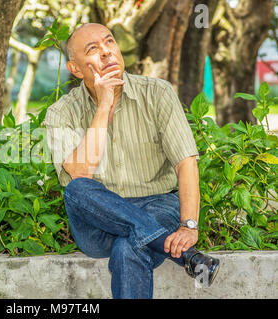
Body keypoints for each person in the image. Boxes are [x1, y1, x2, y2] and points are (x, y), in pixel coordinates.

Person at [43, 23, 220, 299]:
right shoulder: (60, 113)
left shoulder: (158, 93)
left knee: (129, 247)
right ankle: (187, 256)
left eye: (110, 42)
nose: (106, 52)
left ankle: (156, 239)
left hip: (156, 205)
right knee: (77, 189)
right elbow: (80, 172)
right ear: (75, 69)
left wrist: (188, 225)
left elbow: (186, 162)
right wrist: (104, 105)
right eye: (93, 49)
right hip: (97, 222)